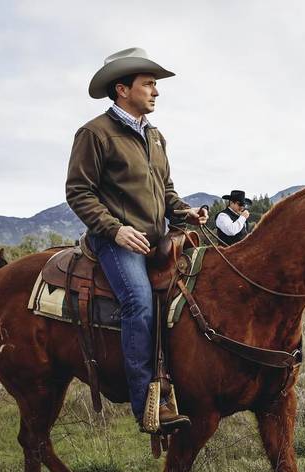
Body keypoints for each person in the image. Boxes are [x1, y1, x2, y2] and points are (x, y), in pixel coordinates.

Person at [66, 47, 208, 433]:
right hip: (115, 242)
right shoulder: (95, 133)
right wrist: (115, 230)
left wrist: (186, 212)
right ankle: (148, 402)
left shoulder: (156, 136)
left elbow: (166, 190)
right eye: (149, 84)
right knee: (140, 303)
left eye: (155, 85)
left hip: (157, 239)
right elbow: (79, 192)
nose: (156, 92)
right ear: (122, 88)